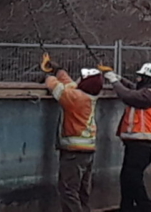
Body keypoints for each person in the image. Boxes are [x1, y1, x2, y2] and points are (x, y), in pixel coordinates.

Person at [41, 54, 104, 212]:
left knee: (68, 191)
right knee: (82, 192)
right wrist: (59, 70)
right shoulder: (87, 96)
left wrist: (48, 76)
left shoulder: (76, 98)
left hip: (74, 152)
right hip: (87, 151)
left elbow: (57, 88)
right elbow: (69, 84)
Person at [102, 63, 151, 212]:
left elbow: (128, 95)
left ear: (148, 79)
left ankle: (146, 208)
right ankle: (126, 208)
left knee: (133, 180)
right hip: (135, 144)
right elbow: (133, 88)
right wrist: (119, 78)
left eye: (140, 77)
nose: (137, 79)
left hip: (142, 145)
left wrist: (114, 81)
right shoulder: (146, 92)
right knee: (126, 180)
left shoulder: (149, 95)